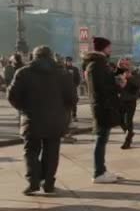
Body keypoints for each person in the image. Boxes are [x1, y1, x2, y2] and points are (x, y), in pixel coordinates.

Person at [8, 46, 76, 195]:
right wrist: (62, 111)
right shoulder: (63, 74)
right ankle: (49, 183)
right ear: (51, 56)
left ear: (34, 56)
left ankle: (33, 182)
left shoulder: (23, 73)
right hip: (56, 120)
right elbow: (72, 99)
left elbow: (12, 96)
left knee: (30, 151)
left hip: (31, 119)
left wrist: (24, 108)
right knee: (52, 151)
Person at [83, 36, 123, 183]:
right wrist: (118, 86)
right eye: (109, 47)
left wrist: (118, 73)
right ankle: (98, 173)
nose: (111, 49)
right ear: (103, 48)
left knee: (103, 139)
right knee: (101, 140)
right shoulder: (96, 65)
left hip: (103, 106)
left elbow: (106, 81)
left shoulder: (100, 64)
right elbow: (100, 88)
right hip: (102, 107)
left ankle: (102, 170)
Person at [116, 58, 140, 150]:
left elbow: (138, 85)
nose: (124, 66)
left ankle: (127, 141)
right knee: (119, 120)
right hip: (119, 101)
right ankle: (129, 132)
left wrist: (130, 78)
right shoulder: (117, 74)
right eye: (121, 64)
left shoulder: (134, 74)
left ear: (130, 65)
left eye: (126, 64)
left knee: (128, 120)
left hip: (130, 101)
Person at [64, 57, 81, 122]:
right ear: (65, 61)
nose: (69, 62)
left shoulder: (75, 69)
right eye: (68, 61)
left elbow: (78, 78)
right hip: (65, 89)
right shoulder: (63, 69)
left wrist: (75, 85)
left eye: (70, 61)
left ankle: (74, 115)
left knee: (74, 102)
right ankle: (67, 116)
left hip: (73, 88)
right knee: (66, 103)